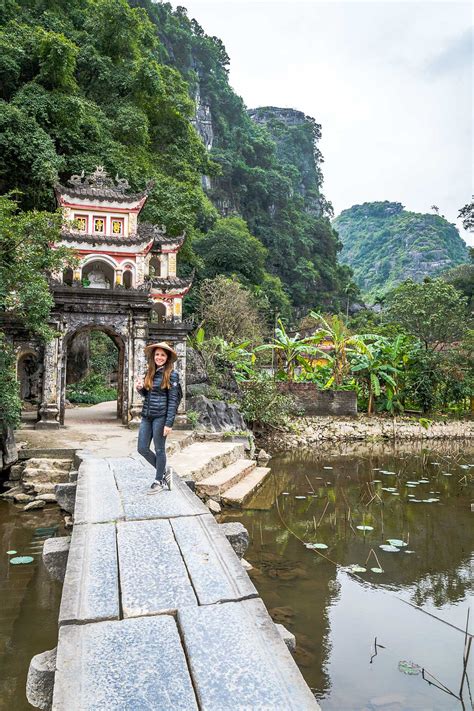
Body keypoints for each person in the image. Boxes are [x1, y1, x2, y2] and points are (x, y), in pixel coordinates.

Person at [135, 341, 180, 492]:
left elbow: (173, 401)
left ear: (167, 358)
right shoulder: (150, 372)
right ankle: (165, 473)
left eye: (162, 355)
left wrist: (169, 423)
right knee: (142, 448)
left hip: (161, 417)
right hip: (147, 416)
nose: (159, 357)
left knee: (159, 449)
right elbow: (148, 395)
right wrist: (140, 389)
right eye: (157, 354)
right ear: (153, 356)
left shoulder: (172, 375)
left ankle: (158, 480)